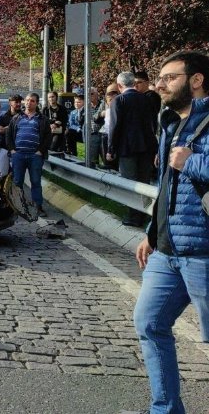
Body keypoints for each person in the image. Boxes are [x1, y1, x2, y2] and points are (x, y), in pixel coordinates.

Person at [133, 50, 209, 414]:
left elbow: (186, 168)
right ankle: (165, 410)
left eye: (170, 77)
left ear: (196, 80)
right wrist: (151, 231)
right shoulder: (171, 122)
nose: (161, 84)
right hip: (167, 249)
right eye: (160, 78)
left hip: (204, 253)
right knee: (150, 324)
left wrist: (190, 160)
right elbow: (166, 186)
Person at [108, 71, 159, 227]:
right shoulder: (146, 99)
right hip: (147, 146)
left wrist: (111, 149)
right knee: (144, 182)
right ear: (134, 83)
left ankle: (133, 216)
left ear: (119, 85)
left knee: (130, 183)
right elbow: (153, 124)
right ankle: (144, 215)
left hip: (127, 148)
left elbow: (115, 127)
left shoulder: (119, 100)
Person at [5, 92, 52, 217]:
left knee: (35, 181)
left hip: (34, 156)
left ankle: (38, 206)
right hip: (18, 155)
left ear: (36, 103)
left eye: (32, 101)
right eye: (27, 100)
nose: (28, 103)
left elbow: (48, 137)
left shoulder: (42, 119)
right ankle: (18, 206)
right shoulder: (16, 118)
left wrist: (40, 151)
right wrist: (13, 151)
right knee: (17, 181)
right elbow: (8, 135)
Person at [99, 84, 119, 170]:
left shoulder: (120, 110)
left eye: (114, 99)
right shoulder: (106, 111)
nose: (112, 102)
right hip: (106, 135)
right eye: (110, 100)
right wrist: (101, 114)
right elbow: (96, 118)